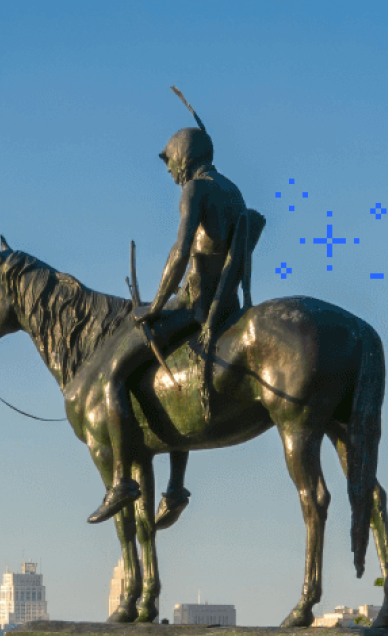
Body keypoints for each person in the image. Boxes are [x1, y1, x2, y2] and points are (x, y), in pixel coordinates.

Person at [87, 102, 253, 528]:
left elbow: (181, 251)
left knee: (116, 375)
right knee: (169, 378)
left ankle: (122, 480)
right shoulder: (233, 192)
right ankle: (175, 489)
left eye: (170, 161)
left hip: (194, 306)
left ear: (184, 154)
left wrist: (156, 306)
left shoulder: (194, 190)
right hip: (227, 306)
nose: (169, 171)